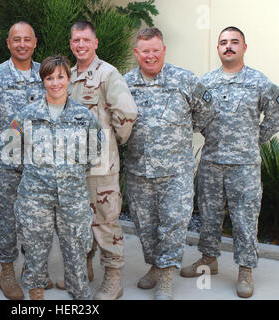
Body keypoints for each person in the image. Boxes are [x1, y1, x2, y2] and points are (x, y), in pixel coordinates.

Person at [180, 26, 279, 298]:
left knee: (245, 218)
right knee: (209, 216)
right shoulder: (207, 82)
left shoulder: (259, 82)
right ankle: (208, 259)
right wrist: (208, 134)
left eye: (234, 42)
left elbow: (275, 112)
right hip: (212, 162)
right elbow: (196, 114)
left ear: (244, 47)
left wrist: (255, 139)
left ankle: (245, 269)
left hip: (244, 166)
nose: (228, 46)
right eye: (223, 42)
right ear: (218, 48)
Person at [123, 27, 214, 300]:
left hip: (177, 173)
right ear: (137, 53)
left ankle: (165, 278)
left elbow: (205, 113)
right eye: (145, 51)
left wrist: (182, 133)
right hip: (139, 172)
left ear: (163, 50)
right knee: (145, 226)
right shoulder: (125, 84)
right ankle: (155, 265)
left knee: (173, 225)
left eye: (155, 50)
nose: (150, 56)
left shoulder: (185, 80)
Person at [56, 21, 137, 300]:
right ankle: (84, 269)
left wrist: (114, 145)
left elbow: (126, 113)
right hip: (72, 168)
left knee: (105, 222)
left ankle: (113, 278)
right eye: (76, 40)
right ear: (71, 44)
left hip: (101, 167)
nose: (80, 45)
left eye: (85, 40)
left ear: (96, 43)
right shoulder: (66, 75)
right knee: (77, 221)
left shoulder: (107, 74)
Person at [14, 55, 103, 300]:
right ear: (42, 80)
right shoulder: (26, 115)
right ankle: (36, 292)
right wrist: (35, 172)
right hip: (35, 196)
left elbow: (95, 148)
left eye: (60, 77)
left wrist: (70, 171)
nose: (55, 83)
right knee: (35, 248)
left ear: (68, 78)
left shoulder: (83, 116)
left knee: (76, 248)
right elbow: (11, 150)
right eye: (49, 77)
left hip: (72, 197)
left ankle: (79, 294)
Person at [0, 22, 48, 300]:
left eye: (27, 39)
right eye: (16, 39)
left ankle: (33, 267)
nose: (22, 44)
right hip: (7, 165)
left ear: (35, 42)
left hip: (39, 164)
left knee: (37, 218)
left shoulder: (46, 73)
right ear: (8, 43)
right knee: (6, 218)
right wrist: (3, 139)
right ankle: (7, 271)